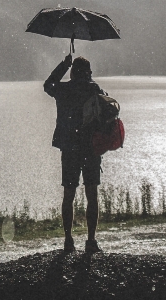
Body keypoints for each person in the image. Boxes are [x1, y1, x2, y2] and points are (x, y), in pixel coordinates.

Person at [44, 53, 106, 254]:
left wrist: (63, 64)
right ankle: (90, 241)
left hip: (69, 149)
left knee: (68, 195)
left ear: (72, 72)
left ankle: (68, 240)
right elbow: (106, 110)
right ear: (87, 73)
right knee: (92, 195)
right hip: (90, 149)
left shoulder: (63, 90)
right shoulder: (93, 89)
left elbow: (48, 85)